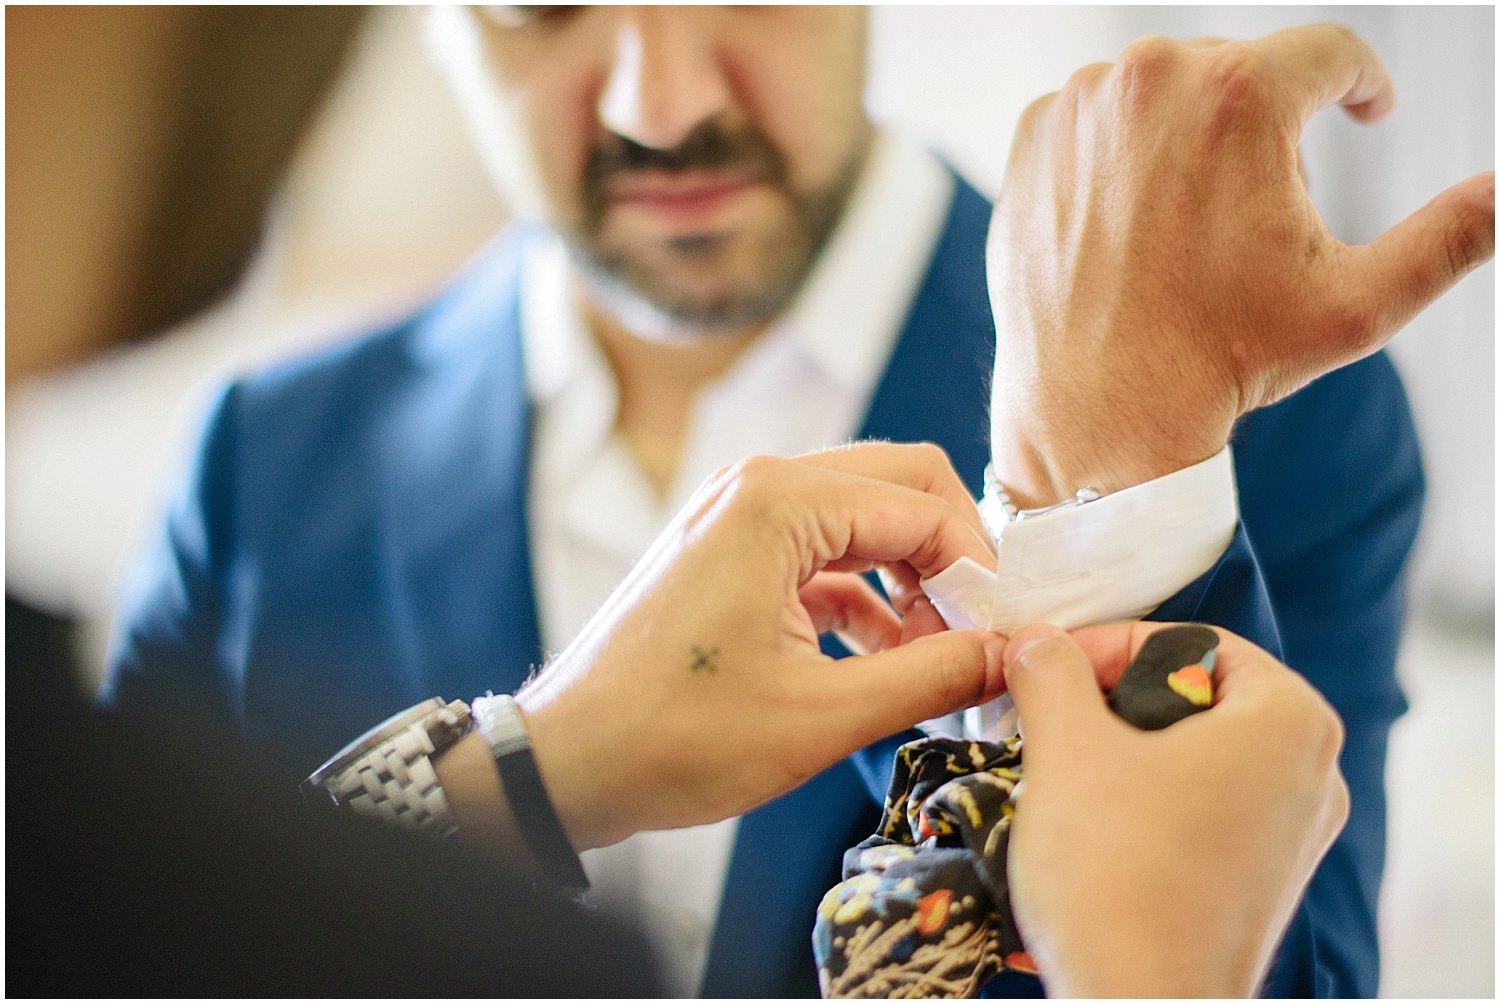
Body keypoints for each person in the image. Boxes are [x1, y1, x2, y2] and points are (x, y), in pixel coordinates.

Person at [99, 7, 1493, 997]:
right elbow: (93, 951)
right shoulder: (253, 463)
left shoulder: (1273, 420)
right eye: (543, 5)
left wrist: (1108, 511)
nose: (661, 101)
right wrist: (521, 773)